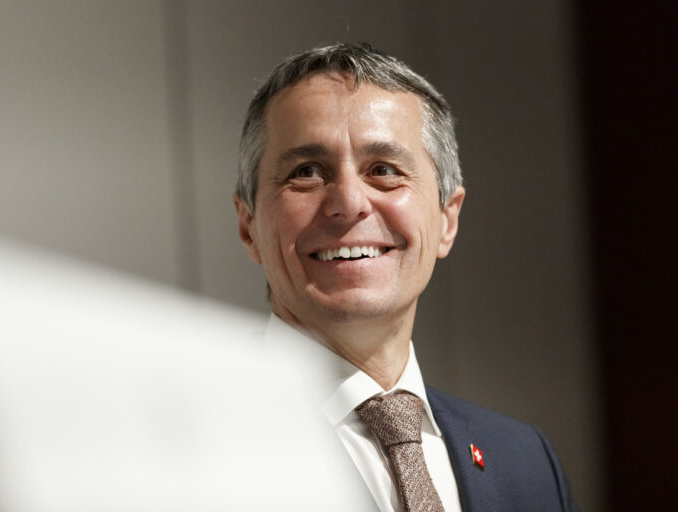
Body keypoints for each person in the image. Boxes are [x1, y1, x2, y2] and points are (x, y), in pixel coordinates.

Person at [232, 42, 577, 512]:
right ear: (247, 225)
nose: (349, 202)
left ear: (446, 220)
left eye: (384, 170)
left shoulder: (525, 461)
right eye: (307, 172)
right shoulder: (182, 447)